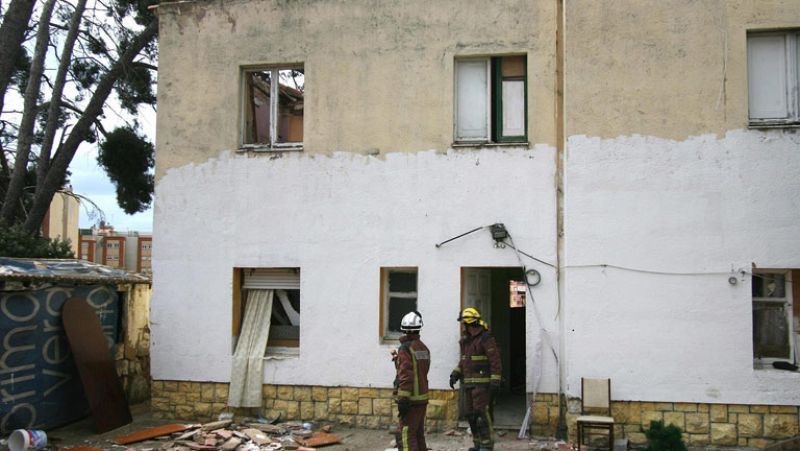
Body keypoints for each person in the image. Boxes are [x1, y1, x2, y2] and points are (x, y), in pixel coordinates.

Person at [449, 307, 502, 451]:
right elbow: (464, 361)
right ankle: (477, 443)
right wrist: (455, 373)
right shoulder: (466, 341)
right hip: (469, 385)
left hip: (482, 386)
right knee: (471, 415)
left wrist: (495, 381)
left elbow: (495, 361)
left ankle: (486, 445)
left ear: (469, 323)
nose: (463, 327)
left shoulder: (486, 338)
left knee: (482, 415)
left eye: (464, 324)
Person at [392, 311, 430, 451]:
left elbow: (406, 376)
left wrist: (402, 399)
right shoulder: (424, 348)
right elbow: (421, 370)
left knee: (406, 435)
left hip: (410, 400)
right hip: (422, 399)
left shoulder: (405, 349)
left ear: (404, 329)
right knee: (418, 434)